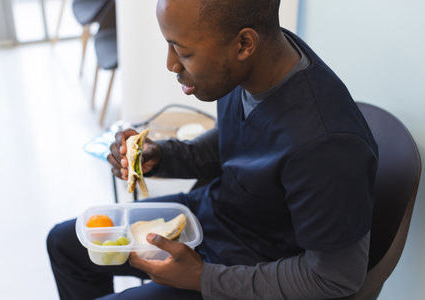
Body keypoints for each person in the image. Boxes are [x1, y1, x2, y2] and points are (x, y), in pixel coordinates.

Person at [47, 0, 378, 299]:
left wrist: (204, 278)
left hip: (252, 266)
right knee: (64, 244)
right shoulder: (259, 62)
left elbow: (334, 279)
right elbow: (239, 141)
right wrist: (161, 156)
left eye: (184, 52)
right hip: (216, 217)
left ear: (244, 44)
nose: (171, 64)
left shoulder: (326, 145)